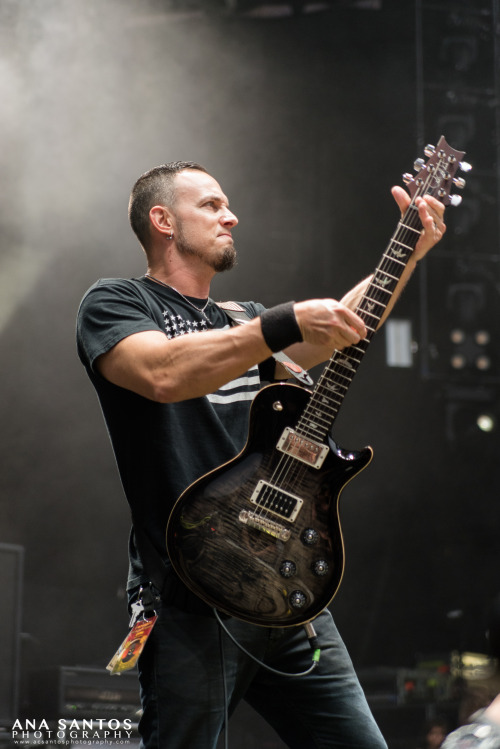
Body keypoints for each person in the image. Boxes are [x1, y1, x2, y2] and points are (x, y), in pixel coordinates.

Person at [76, 160, 446, 749]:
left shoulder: (241, 320)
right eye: (213, 205)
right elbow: (162, 372)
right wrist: (280, 322)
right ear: (163, 220)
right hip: (194, 594)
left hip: (289, 587)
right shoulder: (117, 303)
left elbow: (336, 331)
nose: (232, 216)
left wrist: (406, 256)